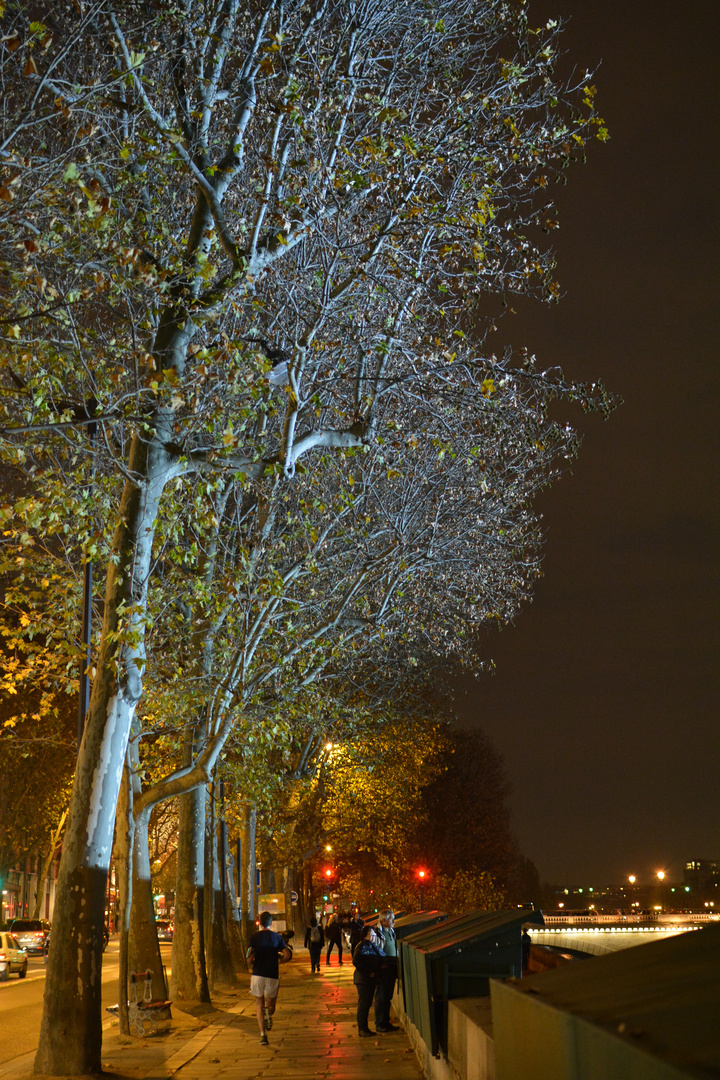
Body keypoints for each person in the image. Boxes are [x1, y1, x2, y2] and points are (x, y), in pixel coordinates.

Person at [247, 910, 292, 1045]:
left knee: (258, 1003)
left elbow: (248, 957)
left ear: (260, 923)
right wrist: (280, 961)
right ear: (271, 923)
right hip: (272, 974)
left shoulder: (254, 938)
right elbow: (287, 954)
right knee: (271, 1004)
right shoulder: (277, 938)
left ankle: (262, 1035)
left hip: (257, 974)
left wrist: (253, 964)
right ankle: (269, 1012)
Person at [352, 924, 386, 1037]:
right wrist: (368, 972)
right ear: (365, 935)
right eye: (371, 934)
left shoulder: (371, 945)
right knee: (364, 1004)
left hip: (370, 980)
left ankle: (364, 1028)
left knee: (367, 1004)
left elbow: (380, 956)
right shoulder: (362, 946)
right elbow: (356, 961)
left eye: (374, 934)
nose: (373, 936)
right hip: (363, 980)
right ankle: (362, 1029)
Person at [373, 909, 400, 1032]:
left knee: (388, 995)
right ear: (383, 921)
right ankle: (380, 1023)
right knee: (382, 995)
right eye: (390, 919)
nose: (393, 921)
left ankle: (385, 1021)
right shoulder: (378, 933)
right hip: (384, 965)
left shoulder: (391, 931)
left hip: (392, 964)